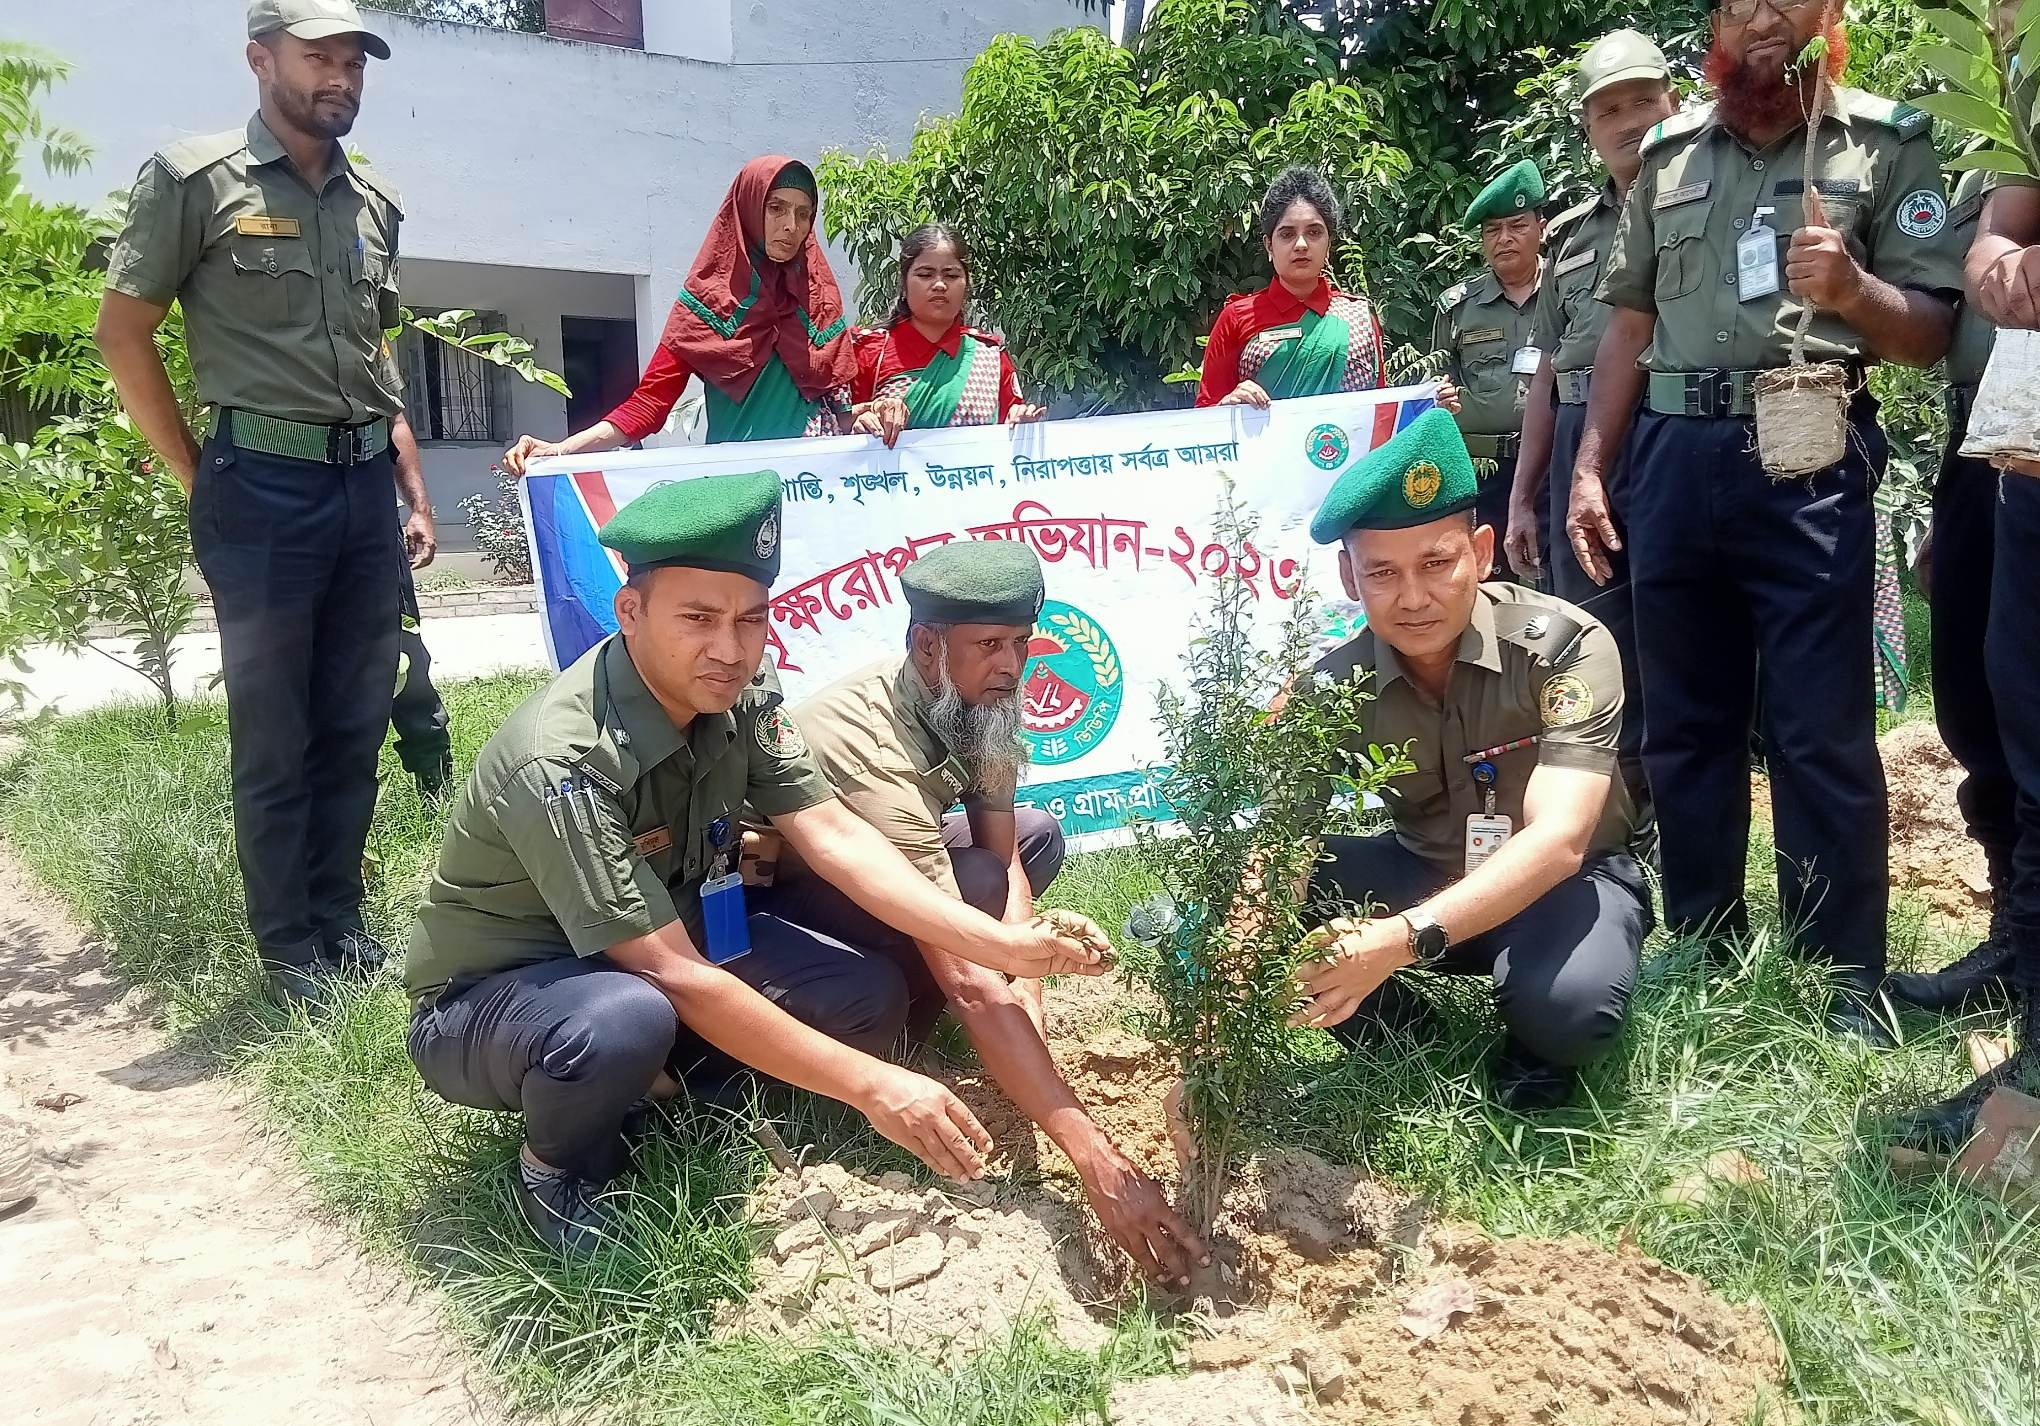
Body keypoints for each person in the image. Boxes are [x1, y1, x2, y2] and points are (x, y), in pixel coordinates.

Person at [403, 471, 1119, 1256]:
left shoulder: (742, 694)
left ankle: (675, 1090)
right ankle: (562, 1166)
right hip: (507, 996)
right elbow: (669, 973)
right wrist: (873, 1088)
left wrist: (1007, 949)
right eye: (699, 619)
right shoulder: (565, 760)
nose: (730, 648)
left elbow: (835, 838)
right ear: (631, 611)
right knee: (622, 1018)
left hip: (677, 924)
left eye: (751, 621)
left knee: (867, 1000)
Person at [1569, 0, 1961, 1041]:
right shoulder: (1668, 153)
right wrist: (1592, 467)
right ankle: (1706, 946)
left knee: (1817, 728)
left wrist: (1854, 288)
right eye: (1744, 3)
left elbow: (1930, 331)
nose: (1766, 19)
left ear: (1827, 14)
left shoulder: (1883, 144)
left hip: (1807, 454)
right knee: (1688, 726)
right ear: (1717, 24)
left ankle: (1842, 975)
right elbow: (1629, 323)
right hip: (1672, 457)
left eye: (1790, 0)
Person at [95, 0, 427, 1006]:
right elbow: (124, 332)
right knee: (277, 730)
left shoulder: (374, 202)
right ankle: (289, 950)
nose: (340, 78)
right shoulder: (195, 179)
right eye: (318, 57)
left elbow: (373, 352)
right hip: (263, 486)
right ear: (259, 59)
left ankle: (341, 922)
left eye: (354, 63)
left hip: (362, 483)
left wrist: (401, 475)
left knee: (356, 716)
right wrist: (201, 473)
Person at [761, 541, 1206, 1282]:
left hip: (872, 881)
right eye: (989, 646)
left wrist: (1023, 997)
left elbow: (1001, 859)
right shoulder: (875, 744)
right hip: (771, 900)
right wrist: (1098, 1163)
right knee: (877, 999)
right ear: (928, 647)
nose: (1011, 665)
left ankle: (992, 1039)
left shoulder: (985, 701)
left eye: (1021, 645)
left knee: (1033, 838)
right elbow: (969, 974)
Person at [1290, 408, 1652, 1111]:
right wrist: (1232, 967)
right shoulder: (1332, 689)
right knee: (1271, 892)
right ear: (1348, 577)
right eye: (1383, 573)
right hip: (1426, 870)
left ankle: (1533, 1044)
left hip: (1563, 885)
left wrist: (1399, 938)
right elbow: (1278, 850)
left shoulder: (1563, 647)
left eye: (1437, 562)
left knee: (1571, 1012)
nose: (1415, 597)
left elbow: (1560, 841)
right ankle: (1410, 1044)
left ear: (1482, 553)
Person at [1896, 107, 2040, 1147]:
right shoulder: (2009, 89)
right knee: (1989, 700)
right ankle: (2016, 948)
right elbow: (1996, 233)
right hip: (2002, 427)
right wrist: (1999, 256)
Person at [1507, 31, 1678, 823]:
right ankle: (1609, 805)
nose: (1629, 120)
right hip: (1579, 432)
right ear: (1587, 127)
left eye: (1643, 100)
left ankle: (1668, 792)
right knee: (1589, 628)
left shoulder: (1700, 201)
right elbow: (1545, 369)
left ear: (1673, 102)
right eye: (1609, 108)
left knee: (1670, 620)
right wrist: (1522, 497)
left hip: (1664, 424)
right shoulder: (1572, 236)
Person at [499, 156, 854, 470]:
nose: (791, 225)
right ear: (747, 210)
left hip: (821, 495)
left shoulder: (818, 300)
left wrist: (876, 413)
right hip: (741, 491)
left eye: (803, 213)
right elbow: (649, 404)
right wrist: (562, 449)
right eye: (776, 208)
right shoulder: (705, 306)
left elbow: (843, 412)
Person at [1198, 166, 1459, 413]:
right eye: (1287, 234)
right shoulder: (1237, 318)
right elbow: (1202, 418)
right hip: (1265, 459)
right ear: (1269, 246)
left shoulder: (1357, 318)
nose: (1301, 244)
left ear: (1329, 243)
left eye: (1314, 232)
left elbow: (1379, 414)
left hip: (1347, 458)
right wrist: (1228, 406)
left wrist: (1429, 407)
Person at [1435, 159, 1547, 569]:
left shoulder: (1569, 292)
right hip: (1482, 473)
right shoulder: (1458, 308)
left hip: (1555, 464)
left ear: (1541, 225)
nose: (1504, 239)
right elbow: (1439, 390)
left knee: (1559, 580)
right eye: (1492, 230)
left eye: (1517, 225)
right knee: (1488, 582)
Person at [847, 223, 1046, 446]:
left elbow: (1009, 427)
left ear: (967, 284)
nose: (940, 285)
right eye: (925, 274)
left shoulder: (989, 356)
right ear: (903, 282)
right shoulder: (868, 351)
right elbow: (835, 424)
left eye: (951, 275)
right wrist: (860, 419)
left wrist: (1020, 420)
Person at [394, 549, 454, 799]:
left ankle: (435, 785)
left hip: (368, 526)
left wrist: (420, 509)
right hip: (284, 527)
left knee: (404, 657)